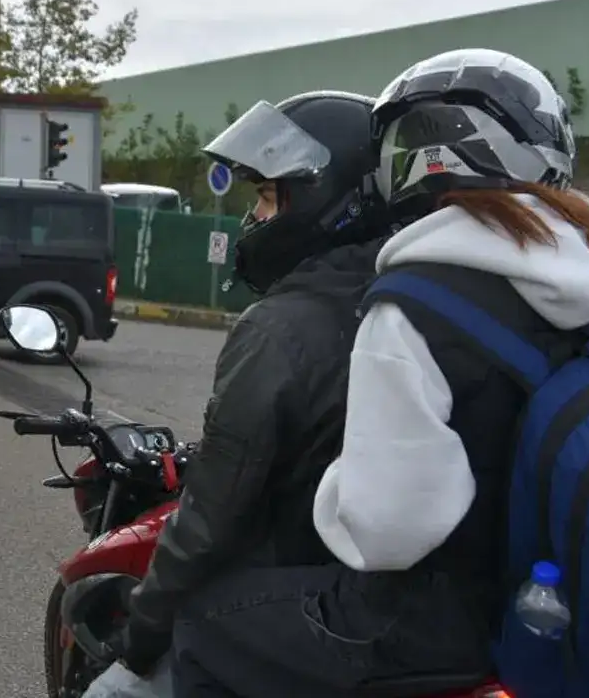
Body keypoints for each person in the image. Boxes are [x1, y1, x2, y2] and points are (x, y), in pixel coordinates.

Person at [306, 49, 589, 693]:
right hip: (582, 619)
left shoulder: (410, 306)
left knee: (206, 632)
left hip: (446, 630)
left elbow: (386, 532)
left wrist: (333, 490)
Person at [112, 91, 411, 693]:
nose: (255, 217)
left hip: (294, 615)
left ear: (329, 199)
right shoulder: (406, 299)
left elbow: (210, 520)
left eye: (269, 196)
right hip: (395, 613)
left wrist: (140, 637)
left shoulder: (279, 330)